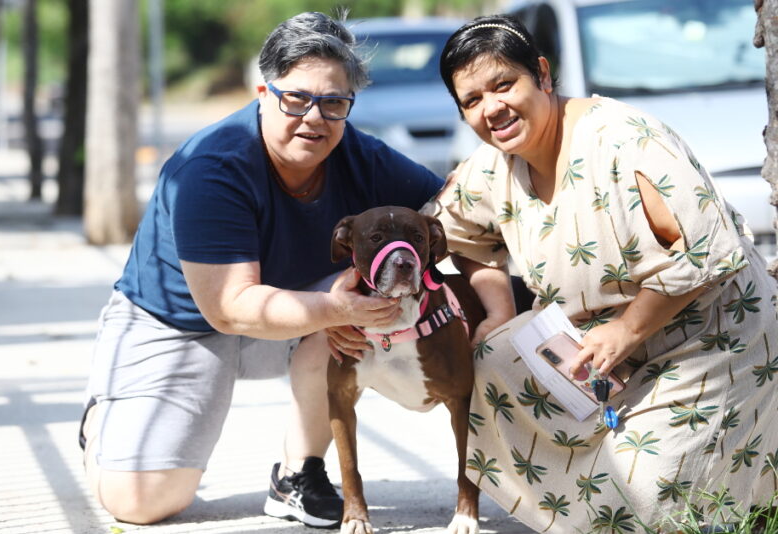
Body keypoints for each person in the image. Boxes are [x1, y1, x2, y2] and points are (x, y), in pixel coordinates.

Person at [78, 11, 443, 528]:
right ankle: (104, 422)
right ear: (263, 92)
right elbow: (230, 307)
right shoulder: (210, 166)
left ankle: (299, 475)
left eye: (334, 103)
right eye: (297, 98)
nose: (314, 117)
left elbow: (450, 204)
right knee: (142, 503)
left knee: (343, 309)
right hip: (181, 325)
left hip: (295, 316)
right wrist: (333, 307)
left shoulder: (357, 151)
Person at [431, 14, 778, 533]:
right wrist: (500, 310)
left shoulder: (626, 141)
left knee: (636, 488)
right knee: (497, 354)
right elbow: (449, 232)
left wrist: (627, 328)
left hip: (711, 341)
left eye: (504, 85)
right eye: (473, 101)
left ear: (542, 75)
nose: (492, 108)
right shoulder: (491, 168)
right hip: (600, 355)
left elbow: (705, 252)